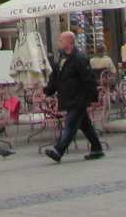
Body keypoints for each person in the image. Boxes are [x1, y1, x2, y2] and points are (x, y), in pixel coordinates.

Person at [41, 31, 104, 163]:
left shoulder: (79, 58)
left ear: (69, 42)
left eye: (61, 40)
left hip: (78, 99)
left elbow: (89, 79)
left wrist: (93, 98)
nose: (58, 42)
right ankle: (97, 148)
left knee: (70, 126)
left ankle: (58, 151)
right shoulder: (61, 58)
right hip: (68, 98)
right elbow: (55, 78)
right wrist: (47, 91)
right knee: (85, 125)